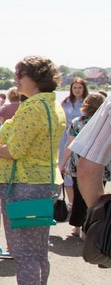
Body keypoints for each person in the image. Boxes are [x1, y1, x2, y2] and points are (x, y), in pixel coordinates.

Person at [0, 56, 64, 285]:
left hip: (24, 183)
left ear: (35, 77)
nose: (16, 80)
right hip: (42, 181)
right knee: (38, 251)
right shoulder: (53, 104)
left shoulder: (32, 107)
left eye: (21, 74)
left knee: (26, 253)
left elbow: (14, 149)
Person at [60, 93, 107, 236]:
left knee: (79, 197)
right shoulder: (104, 122)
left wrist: (62, 164)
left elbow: (69, 145)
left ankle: (77, 226)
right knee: (97, 198)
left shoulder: (77, 122)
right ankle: (92, 226)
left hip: (78, 164)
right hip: (101, 164)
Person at [59, 77, 87, 208]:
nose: (77, 90)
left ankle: (81, 202)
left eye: (79, 87)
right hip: (65, 136)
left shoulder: (86, 102)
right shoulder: (65, 102)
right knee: (65, 169)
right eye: (74, 87)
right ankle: (71, 203)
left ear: (84, 88)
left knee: (79, 168)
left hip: (81, 137)